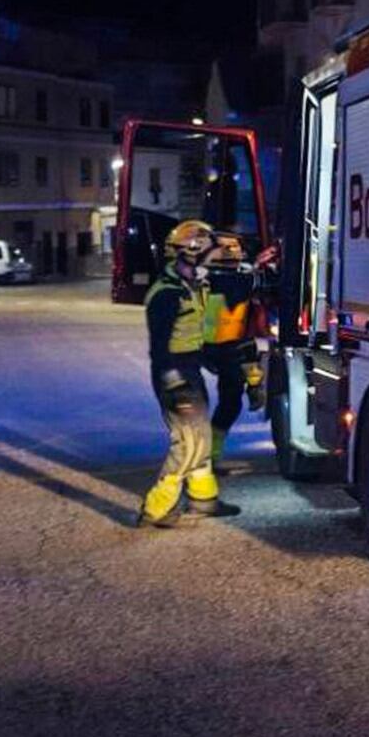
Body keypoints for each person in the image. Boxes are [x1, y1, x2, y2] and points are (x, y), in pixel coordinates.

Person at [138, 220, 240, 528]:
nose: (214, 256)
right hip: (174, 374)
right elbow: (159, 348)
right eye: (209, 250)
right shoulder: (166, 295)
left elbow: (235, 288)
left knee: (202, 437)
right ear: (192, 253)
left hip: (190, 369)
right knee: (188, 443)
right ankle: (156, 508)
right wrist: (174, 383)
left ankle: (203, 500)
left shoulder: (196, 285)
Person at [200, 232, 266, 475]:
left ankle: (256, 387)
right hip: (221, 348)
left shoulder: (202, 277)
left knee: (229, 401)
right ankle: (207, 457)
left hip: (216, 347)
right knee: (229, 403)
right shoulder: (237, 280)